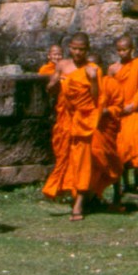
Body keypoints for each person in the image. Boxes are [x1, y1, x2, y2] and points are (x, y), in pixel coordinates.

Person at [42, 33, 101, 221]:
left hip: (83, 120)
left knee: (82, 160)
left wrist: (92, 80)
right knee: (65, 156)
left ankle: (78, 205)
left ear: (87, 50)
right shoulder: (62, 66)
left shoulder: (93, 70)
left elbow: (95, 98)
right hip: (65, 119)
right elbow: (50, 90)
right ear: (69, 48)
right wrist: (54, 83)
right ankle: (70, 192)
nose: (77, 52)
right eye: (74, 48)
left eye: (81, 49)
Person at [108, 34, 138, 192]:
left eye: (125, 50)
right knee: (121, 148)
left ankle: (137, 173)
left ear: (132, 49)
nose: (122, 53)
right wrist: (116, 107)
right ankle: (124, 179)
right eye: (119, 50)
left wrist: (133, 105)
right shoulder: (113, 68)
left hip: (133, 110)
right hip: (119, 112)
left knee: (134, 141)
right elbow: (109, 88)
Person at [89, 57, 125, 209]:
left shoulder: (110, 83)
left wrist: (107, 111)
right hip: (87, 129)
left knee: (111, 160)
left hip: (106, 128)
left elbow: (118, 106)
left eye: (95, 67)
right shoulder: (81, 82)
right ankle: (93, 197)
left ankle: (117, 195)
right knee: (91, 162)